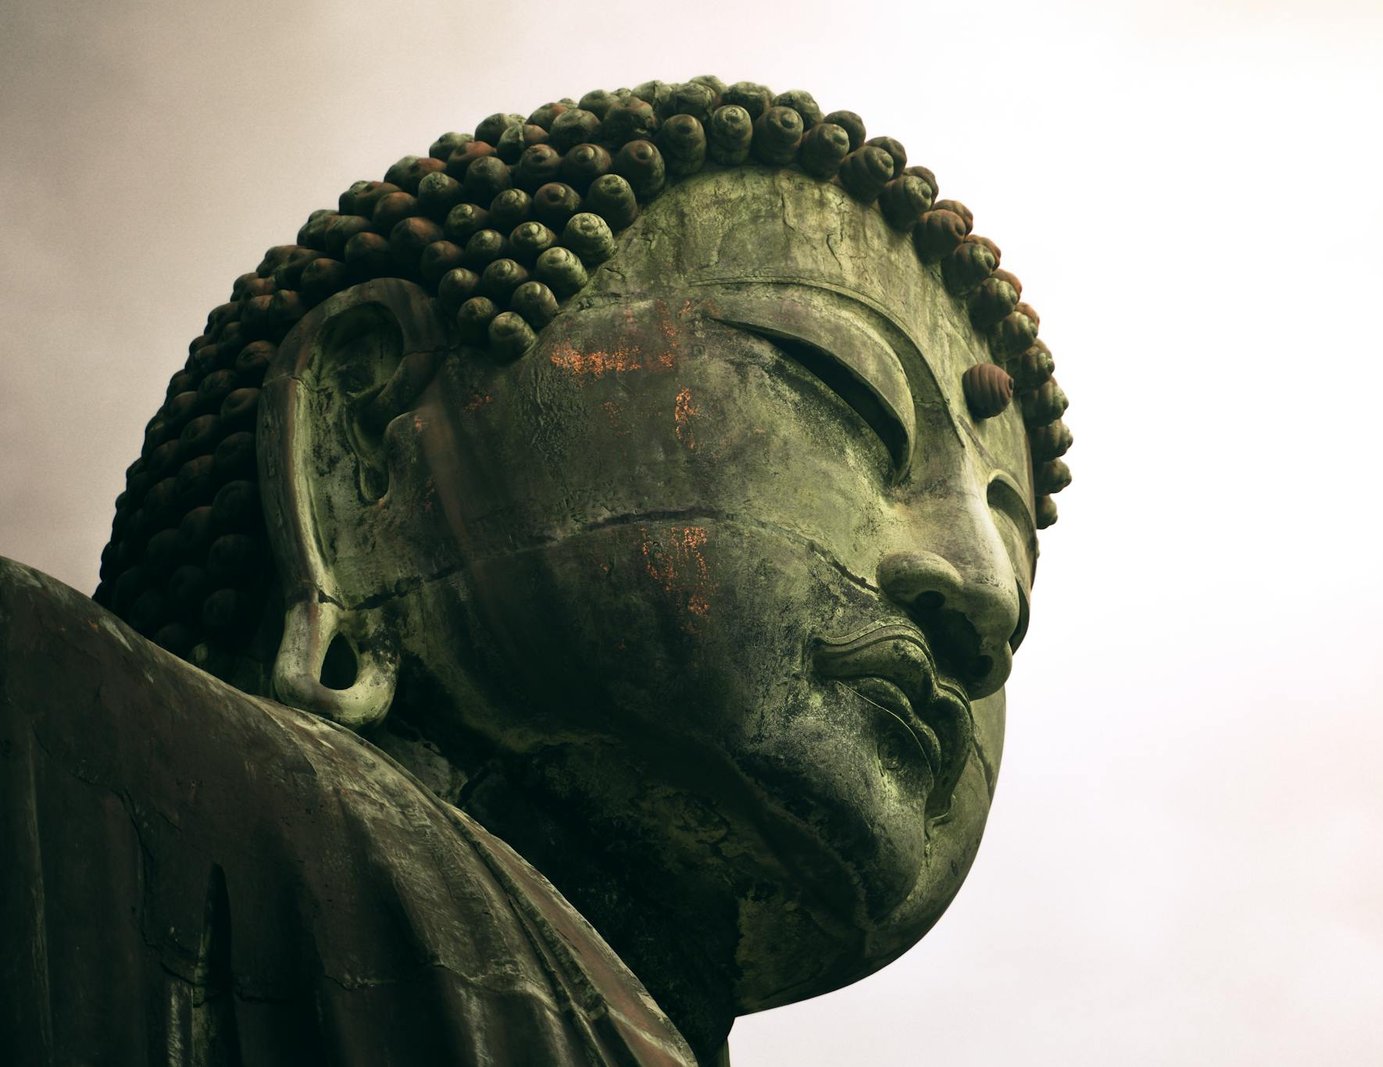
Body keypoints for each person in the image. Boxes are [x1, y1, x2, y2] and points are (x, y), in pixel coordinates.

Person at [0, 76, 1070, 1065]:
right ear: (368, 441)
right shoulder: (47, 736)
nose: (986, 593)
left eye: (1012, 536)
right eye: (845, 394)